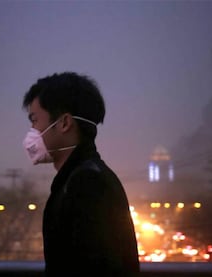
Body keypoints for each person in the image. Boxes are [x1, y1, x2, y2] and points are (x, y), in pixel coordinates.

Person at [22, 72, 140, 276]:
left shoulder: (88, 184)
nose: (31, 130)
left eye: (35, 120)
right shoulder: (79, 177)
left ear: (64, 123)